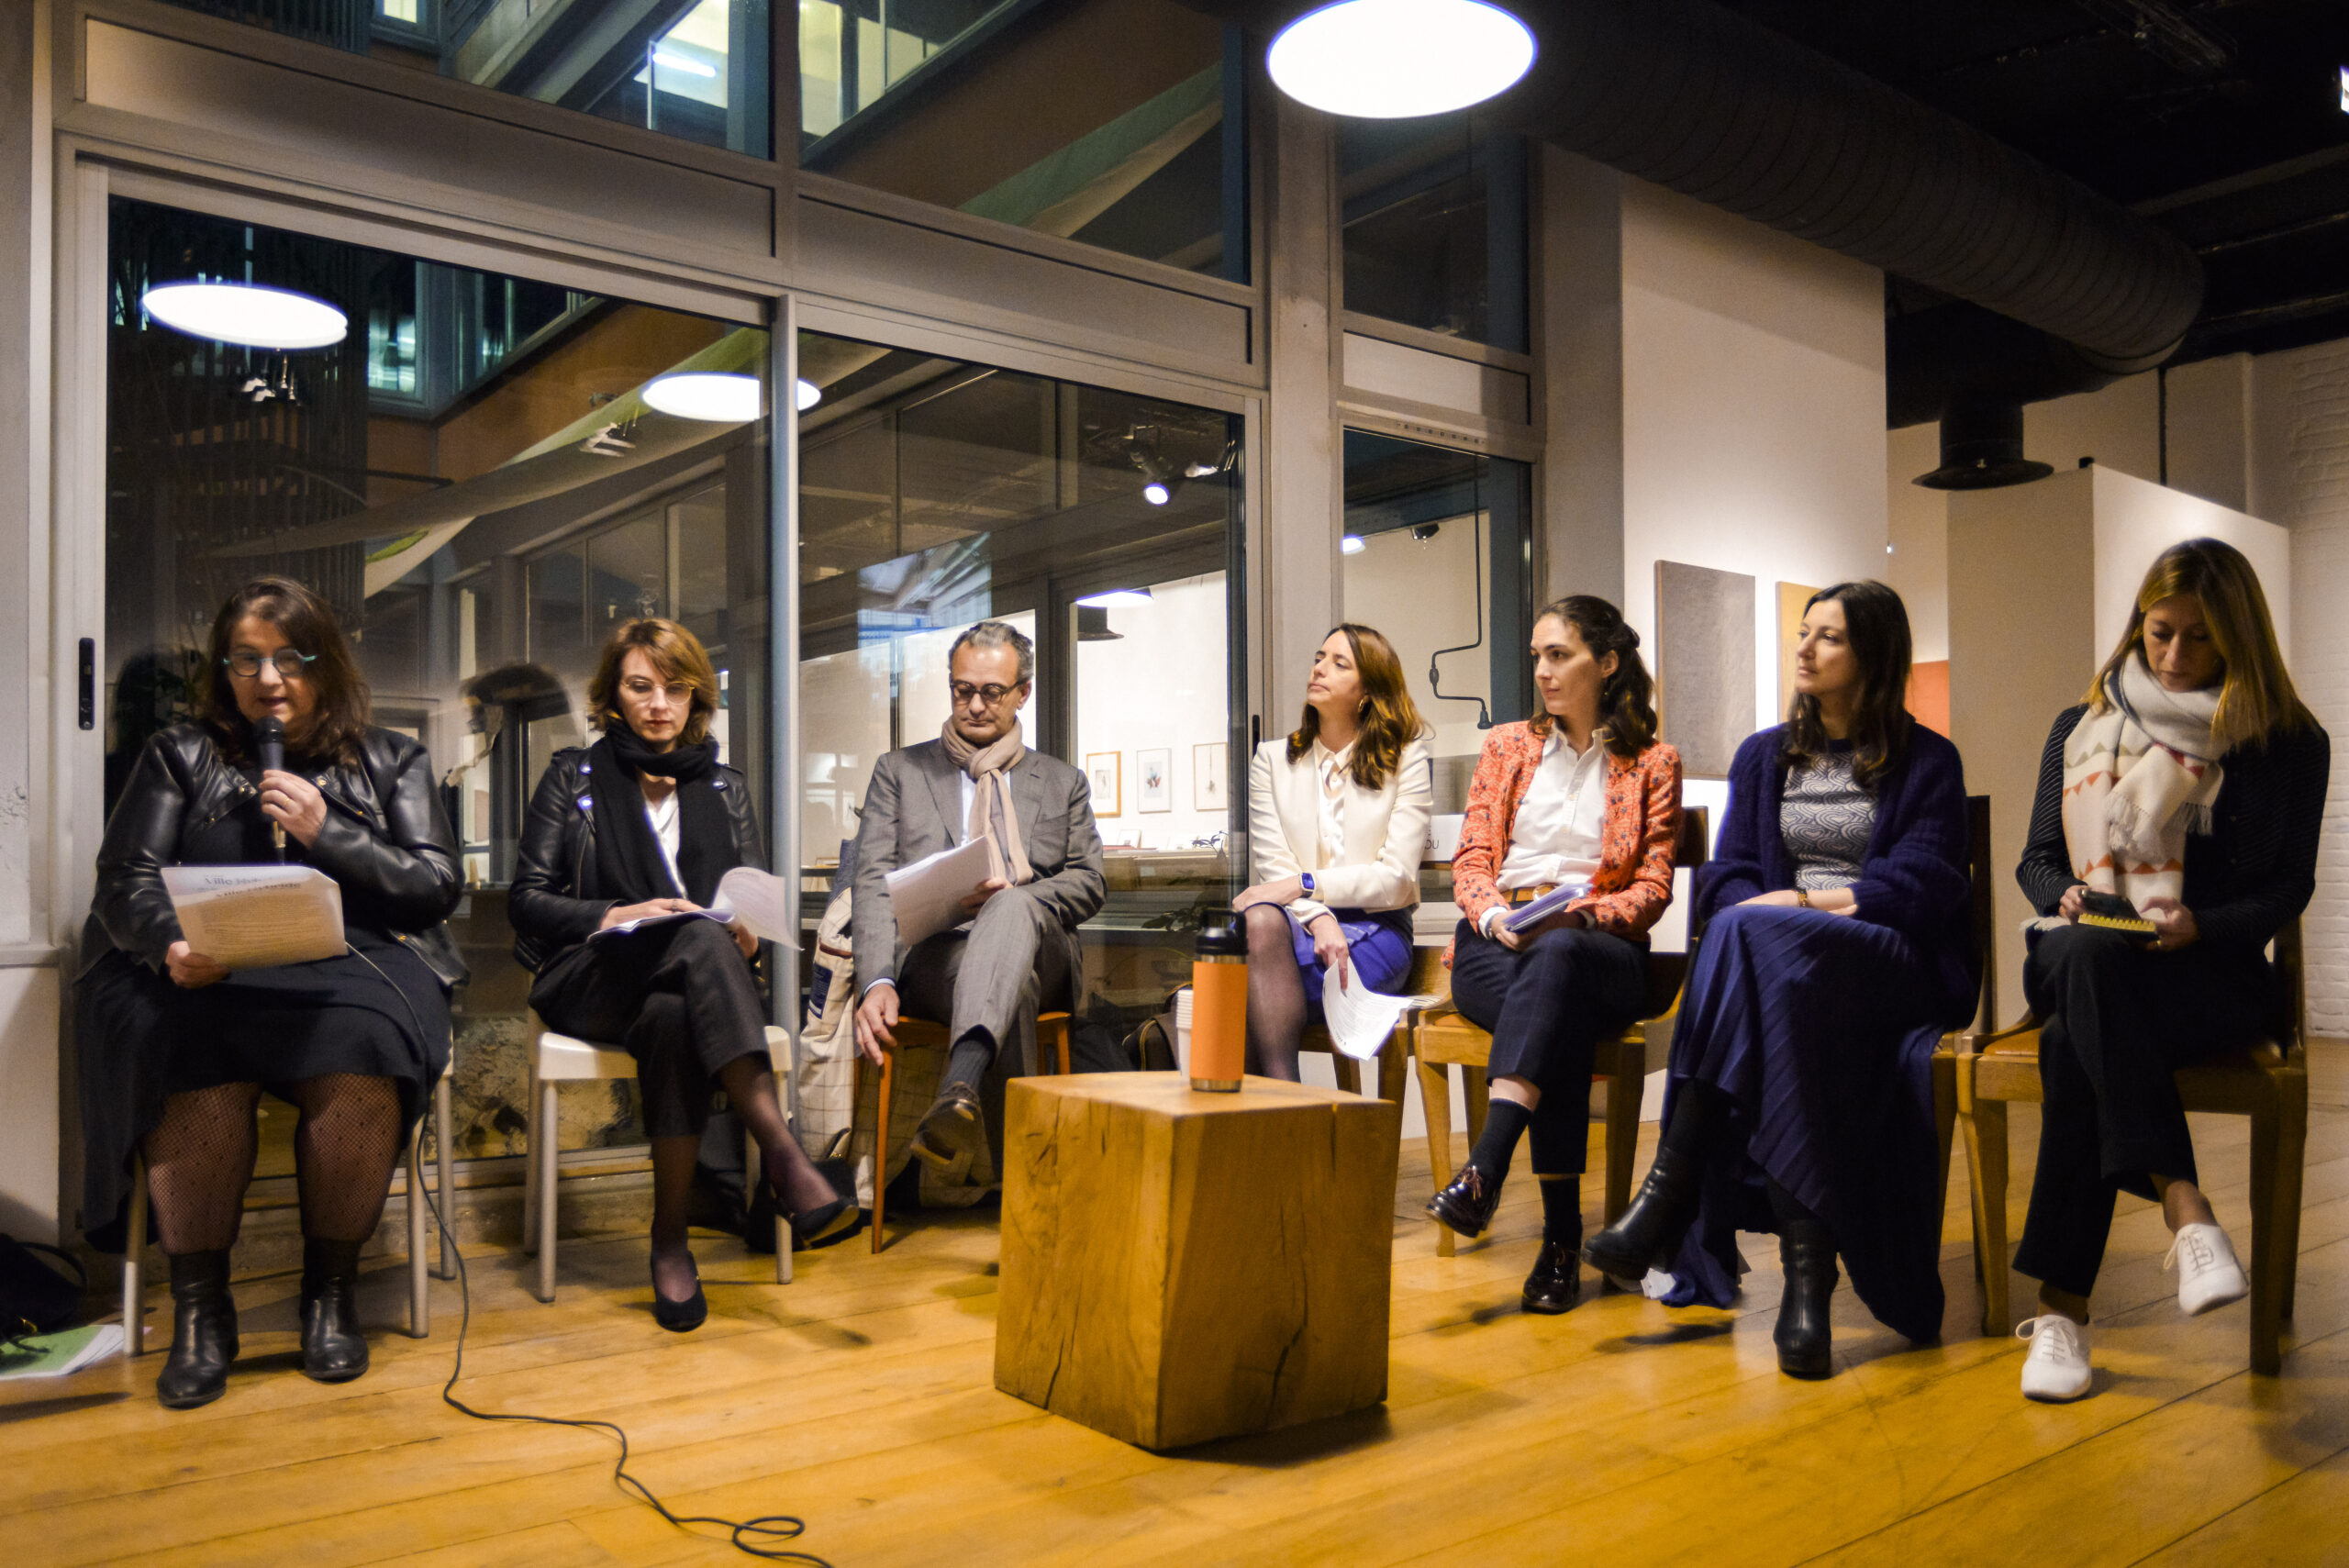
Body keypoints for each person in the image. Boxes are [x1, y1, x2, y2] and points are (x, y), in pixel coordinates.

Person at [76, 577, 467, 1409]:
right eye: (247, 660)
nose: (270, 679)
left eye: (289, 658)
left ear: (325, 663)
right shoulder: (180, 753)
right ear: (224, 672)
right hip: (211, 962)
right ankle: (201, 1312)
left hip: (354, 960)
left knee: (366, 1047)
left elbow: (434, 885)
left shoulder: (392, 757)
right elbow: (126, 879)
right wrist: (169, 945)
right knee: (188, 1050)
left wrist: (332, 832)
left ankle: (329, 1296)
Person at [1583, 581, 1975, 1378]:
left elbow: (1926, 886)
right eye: (1804, 632)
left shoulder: (1929, 758)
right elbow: (1727, 875)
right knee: (1767, 973)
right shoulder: (1766, 755)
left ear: (1872, 654)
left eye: (1828, 637)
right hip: (1786, 973)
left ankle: (1670, 1188)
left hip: (1887, 959)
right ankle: (1807, 1288)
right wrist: (1768, 911)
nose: (1805, 647)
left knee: (1753, 934)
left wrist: (1802, 901)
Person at [2007, 539, 2326, 1402]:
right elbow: (2034, 860)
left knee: (2077, 1036)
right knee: (2083, 956)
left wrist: (2202, 923)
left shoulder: (2288, 742)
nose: (2175, 657)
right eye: (2159, 633)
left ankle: (2063, 1316)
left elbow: (2286, 884)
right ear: (2135, 627)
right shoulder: (2080, 726)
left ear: (2238, 641)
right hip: (2086, 946)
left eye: (2200, 640)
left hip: (2207, 971)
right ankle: (2187, 1209)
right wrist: (2068, 893)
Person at [512, 618, 854, 1332]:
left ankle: (669, 1239)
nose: (658, 703)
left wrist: (748, 934)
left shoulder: (724, 787)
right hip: (591, 975)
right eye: (641, 687)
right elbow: (527, 898)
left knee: (677, 1003)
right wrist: (613, 912)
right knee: (695, 939)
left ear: (696, 696)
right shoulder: (571, 775)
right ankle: (786, 1156)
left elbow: (753, 902)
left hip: (686, 984)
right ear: (614, 694)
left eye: (675, 688)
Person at [1424, 596, 1683, 1316]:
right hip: (1499, 942)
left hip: (1600, 948)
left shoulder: (1653, 762)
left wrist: (1585, 911)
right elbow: (1474, 854)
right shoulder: (1506, 745)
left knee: (1562, 960)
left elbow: (1653, 888)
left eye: (1559, 654)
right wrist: (1495, 912)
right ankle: (1560, 1241)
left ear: (1605, 662)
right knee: (1553, 1007)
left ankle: (1486, 1169)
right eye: (1537, 655)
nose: (1542, 669)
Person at [849, 621, 1105, 1177]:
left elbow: (1089, 879)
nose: (975, 705)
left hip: (1044, 949)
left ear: (1022, 694)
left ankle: (961, 1077)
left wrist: (1020, 896)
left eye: (992, 692)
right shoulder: (899, 772)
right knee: (1016, 988)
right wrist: (876, 980)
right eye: (962, 689)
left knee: (1012, 905)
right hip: (940, 958)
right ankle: (1021, 1185)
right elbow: (869, 881)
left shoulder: (1062, 782)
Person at [1232, 624, 1432, 1081]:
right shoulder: (1272, 760)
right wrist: (1318, 916)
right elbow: (1275, 866)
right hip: (1295, 928)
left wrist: (1306, 885)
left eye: (1340, 663)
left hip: (1376, 928)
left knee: (1240, 983)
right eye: (1320, 657)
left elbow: (1397, 878)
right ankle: (1289, 1112)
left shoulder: (1406, 758)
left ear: (1367, 691)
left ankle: (1269, 1130)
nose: (1320, 668)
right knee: (1260, 922)